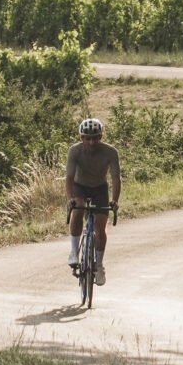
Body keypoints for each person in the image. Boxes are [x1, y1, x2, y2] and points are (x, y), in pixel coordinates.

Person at [65, 115, 121, 285]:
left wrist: (115, 200)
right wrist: (70, 199)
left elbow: (116, 178)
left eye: (95, 138)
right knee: (79, 207)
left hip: (99, 188)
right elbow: (69, 177)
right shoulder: (74, 151)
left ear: (101, 137)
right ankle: (74, 251)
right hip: (79, 186)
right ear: (81, 137)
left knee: (100, 226)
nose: (91, 142)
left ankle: (99, 265)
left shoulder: (110, 152)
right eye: (87, 138)